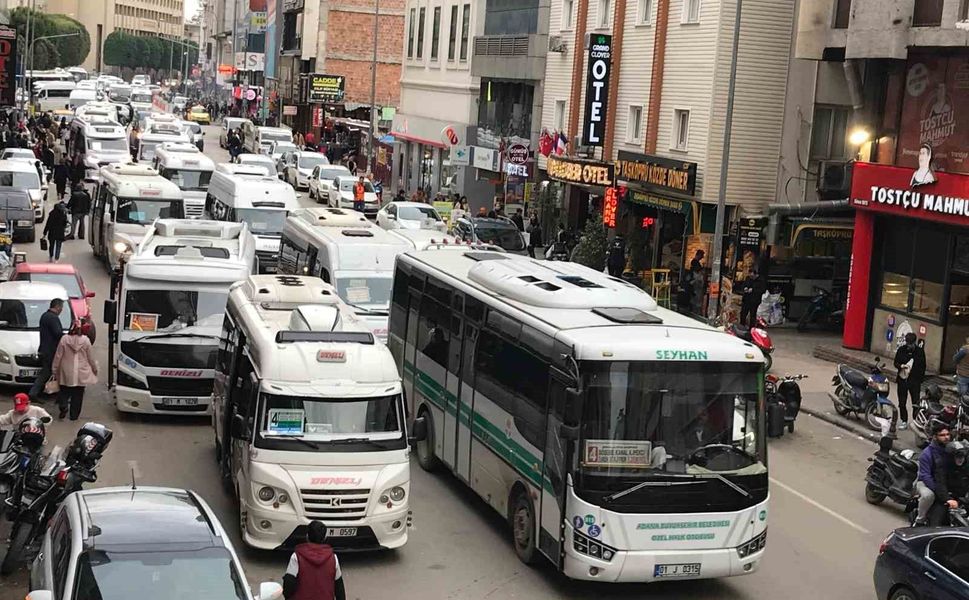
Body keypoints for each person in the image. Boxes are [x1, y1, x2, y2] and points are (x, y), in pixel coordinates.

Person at [282, 520, 346, 600]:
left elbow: (289, 584)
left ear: (307, 536)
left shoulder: (296, 556)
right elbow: (339, 588)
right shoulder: (333, 558)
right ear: (325, 538)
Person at [51, 322, 98, 420]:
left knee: (64, 390)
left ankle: (63, 406)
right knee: (78, 395)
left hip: (66, 370)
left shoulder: (64, 339)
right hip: (81, 372)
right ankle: (74, 415)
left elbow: (58, 355)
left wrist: (54, 369)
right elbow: (90, 358)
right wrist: (94, 369)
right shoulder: (86, 341)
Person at [915, 424, 953, 526]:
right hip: (925, 483)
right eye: (942, 435)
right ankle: (919, 520)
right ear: (935, 437)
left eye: (948, 434)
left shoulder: (950, 450)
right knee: (928, 495)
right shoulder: (927, 454)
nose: (946, 437)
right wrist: (939, 492)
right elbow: (926, 476)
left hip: (942, 483)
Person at [29, 298, 65, 402]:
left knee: (46, 371)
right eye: (61, 308)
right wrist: (67, 337)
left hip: (44, 348)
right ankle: (34, 392)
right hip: (51, 351)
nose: (61, 310)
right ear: (57, 307)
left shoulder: (44, 316)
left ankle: (39, 392)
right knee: (47, 372)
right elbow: (57, 333)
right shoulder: (53, 318)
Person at [894, 332, 926, 429]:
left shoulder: (919, 352)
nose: (909, 346)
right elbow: (896, 362)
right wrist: (901, 366)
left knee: (915, 403)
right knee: (902, 402)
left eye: (911, 344)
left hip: (914, 381)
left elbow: (923, 366)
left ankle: (915, 421)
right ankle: (904, 420)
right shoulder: (901, 350)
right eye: (908, 343)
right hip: (902, 379)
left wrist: (919, 379)